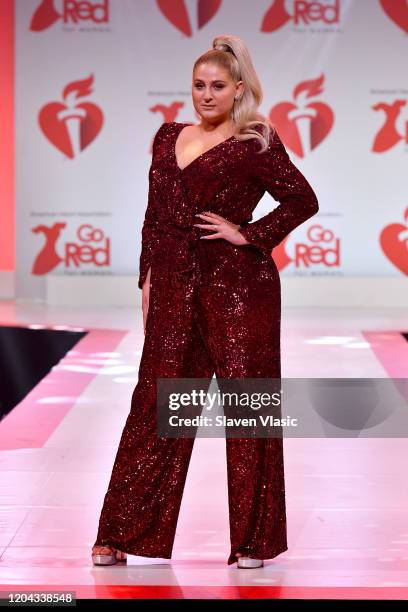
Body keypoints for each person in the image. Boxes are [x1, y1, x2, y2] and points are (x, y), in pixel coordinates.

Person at [92, 33, 319, 569]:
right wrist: (147, 280)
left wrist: (250, 233)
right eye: (199, 85)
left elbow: (303, 199)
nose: (207, 95)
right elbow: (153, 217)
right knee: (156, 407)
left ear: (238, 88)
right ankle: (120, 534)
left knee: (248, 412)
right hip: (174, 288)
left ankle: (252, 543)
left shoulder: (256, 141)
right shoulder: (167, 136)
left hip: (240, 289)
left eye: (218, 86)